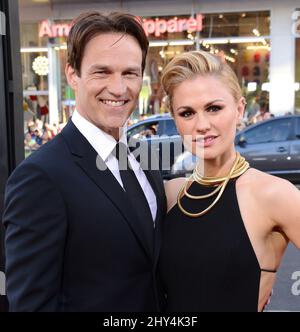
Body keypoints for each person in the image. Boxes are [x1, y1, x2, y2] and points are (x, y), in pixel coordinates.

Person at [2, 11, 166, 312]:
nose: (118, 89)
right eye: (102, 72)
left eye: (129, 73)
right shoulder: (40, 177)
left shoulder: (144, 157)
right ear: (73, 75)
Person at [158, 50, 300, 312]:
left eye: (214, 108)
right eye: (187, 113)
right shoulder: (169, 195)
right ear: (176, 121)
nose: (202, 124)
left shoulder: (274, 194)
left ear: (239, 109)